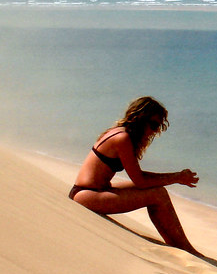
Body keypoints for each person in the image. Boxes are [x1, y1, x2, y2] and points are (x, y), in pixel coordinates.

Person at [70, 96, 202, 256]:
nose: (155, 131)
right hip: (86, 194)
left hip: (95, 191)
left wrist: (176, 177)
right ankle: (187, 250)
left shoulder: (121, 133)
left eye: (158, 127)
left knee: (158, 191)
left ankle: (182, 247)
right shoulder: (122, 138)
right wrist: (177, 177)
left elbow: (139, 176)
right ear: (140, 118)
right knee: (157, 194)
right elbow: (140, 181)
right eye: (153, 125)